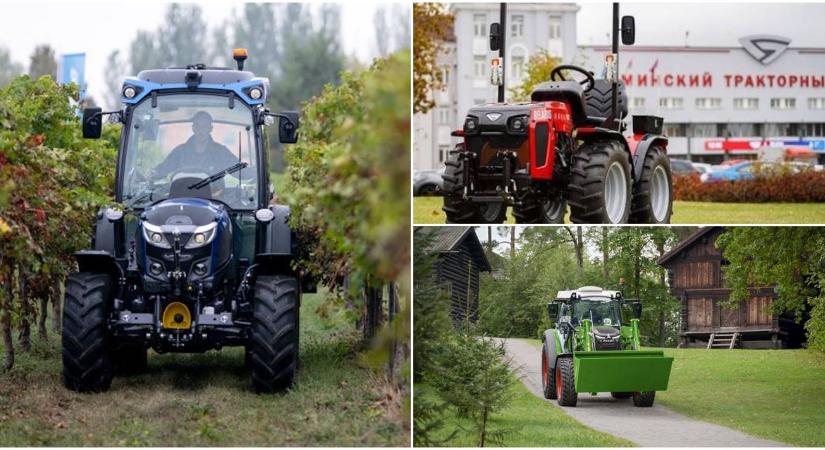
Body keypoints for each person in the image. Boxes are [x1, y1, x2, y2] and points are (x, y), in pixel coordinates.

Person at [153, 111, 245, 179]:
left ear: (210, 128)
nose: (201, 130)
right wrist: (151, 174)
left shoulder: (221, 152)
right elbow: (162, 170)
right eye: (198, 126)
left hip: (216, 199)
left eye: (204, 126)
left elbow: (239, 171)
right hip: (184, 197)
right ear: (193, 128)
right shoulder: (180, 152)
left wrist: (256, 173)